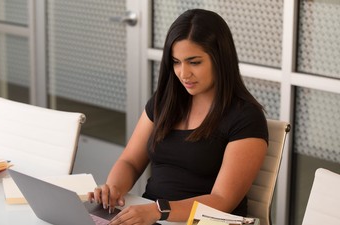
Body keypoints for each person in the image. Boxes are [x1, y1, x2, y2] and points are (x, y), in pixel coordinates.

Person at [88, 9, 268, 225]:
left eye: (194, 62)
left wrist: (157, 211)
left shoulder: (246, 117)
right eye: (176, 62)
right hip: (152, 218)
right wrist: (114, 188)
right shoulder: (165, 102)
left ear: (221, 59)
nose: (183, 73)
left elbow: (223, 200)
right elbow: (130, 161)